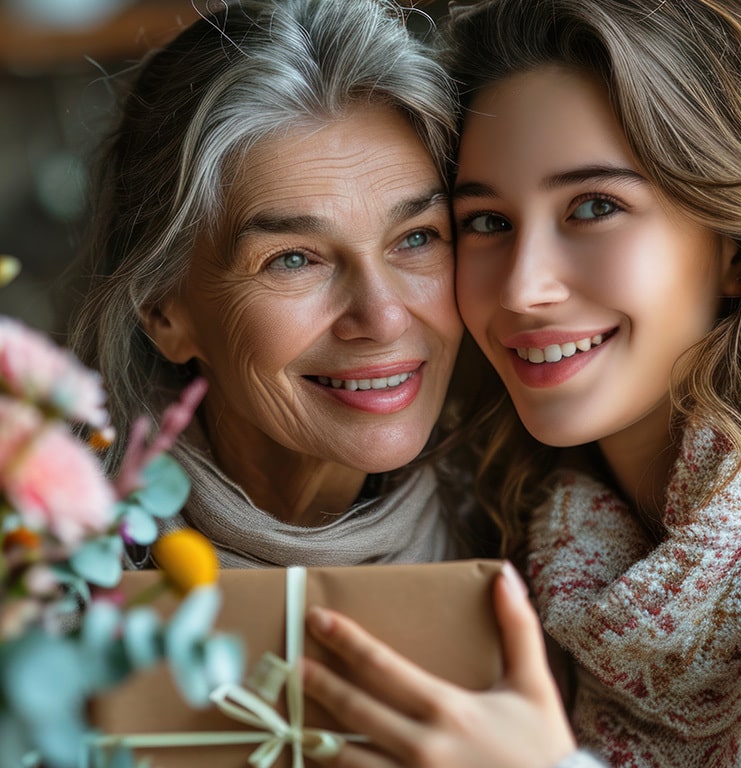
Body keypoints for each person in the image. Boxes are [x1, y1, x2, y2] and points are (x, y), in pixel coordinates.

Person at [300, 0, 741, 768]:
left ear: (737, 246)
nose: (525, 289)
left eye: (594, 207)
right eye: (488, 221)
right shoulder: (506, 537)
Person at [67, 0, 491, 571]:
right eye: (293, 259)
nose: (384, 317)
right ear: (164, 313)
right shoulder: (46, 564)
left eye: (416, 238)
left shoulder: (525, 539)